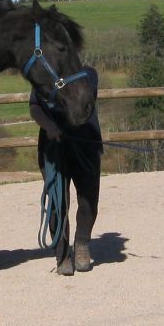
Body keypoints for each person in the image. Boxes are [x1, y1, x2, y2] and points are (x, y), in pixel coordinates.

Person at [29, 65, 102, 276]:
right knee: (57, 202)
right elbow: (35, 107)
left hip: (85, 144)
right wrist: (49, 126)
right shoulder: (42, 77)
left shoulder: (88, 75)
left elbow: (82, 103)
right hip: (53, 147)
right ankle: (62, 254)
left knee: (89, 200)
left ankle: (82, 243)